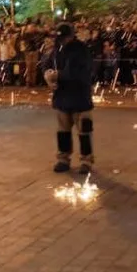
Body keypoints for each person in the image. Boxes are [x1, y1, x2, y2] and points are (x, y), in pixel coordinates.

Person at [41, 23, 94, 174]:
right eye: (60, 38)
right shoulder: (57, 50)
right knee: (63, 131)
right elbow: (47, 65)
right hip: (62, 97)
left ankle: (86, 160)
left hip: (80, 97)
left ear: (71, 35)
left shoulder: (81, 50)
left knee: (84, 131)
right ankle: (63, 158)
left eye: (64, 37)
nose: (62, 40)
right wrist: (47, 76)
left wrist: (57, 75)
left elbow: (78, 72)